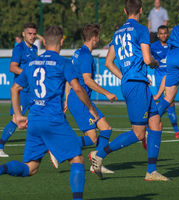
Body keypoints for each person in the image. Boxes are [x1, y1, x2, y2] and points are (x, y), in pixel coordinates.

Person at [0, 25, 99, 200]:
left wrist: (18, 115)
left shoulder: (32, 63)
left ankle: (2, 168)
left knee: (30, 168)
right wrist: (91, 108)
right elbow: (77, 88)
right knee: (77, 159)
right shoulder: (63, 62)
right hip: (54, 120)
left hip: (35, 121)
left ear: (44, 41)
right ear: (62, 41)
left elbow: (15, 88)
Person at [89, 0, 170, 181]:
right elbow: (148, 60)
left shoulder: (117, 33)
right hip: (136, 85)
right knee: (139, 133)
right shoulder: (141, 30)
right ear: (141, 10)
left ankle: (151, 171)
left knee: (156, 124)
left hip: (136, 83)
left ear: (125, 11)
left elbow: (109, 62)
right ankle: (99, 154)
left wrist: (125, 75)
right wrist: (157, 64)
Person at [66, 24, 118, 174]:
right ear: (94, 38)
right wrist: (107, 93)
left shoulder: (77, 53)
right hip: (80, 100)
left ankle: (97, 163)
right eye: (98, 37)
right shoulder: (86, 55)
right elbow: (87, 81)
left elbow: (70, 78)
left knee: (106, 129)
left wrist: (66, 99)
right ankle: (59, 146)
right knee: (93, 139)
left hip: (79, 99)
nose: (99, 39)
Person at [0, 23, 38, 157]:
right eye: (30, 34)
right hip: (21, 92)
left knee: (38, 116)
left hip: (32, 91)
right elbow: (12, 67)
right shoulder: (19, 49)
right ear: (24, 34)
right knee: (16, 119)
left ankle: (43, 147)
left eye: (34, 34)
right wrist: (28, 74)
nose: (32, 36)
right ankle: (0, 146)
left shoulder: (35, 49)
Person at [151, 25, 179, 139]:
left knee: (169, 103)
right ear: (158, 35)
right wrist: (152, 62)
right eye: (161, 33)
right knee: (168, 103)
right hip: (160, 78)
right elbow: (146, 57)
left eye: (165, 33)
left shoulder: (172, 45)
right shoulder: (153, 46)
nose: (163, 35)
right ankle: (175, 130)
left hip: (171, 76)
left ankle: (152, 122)